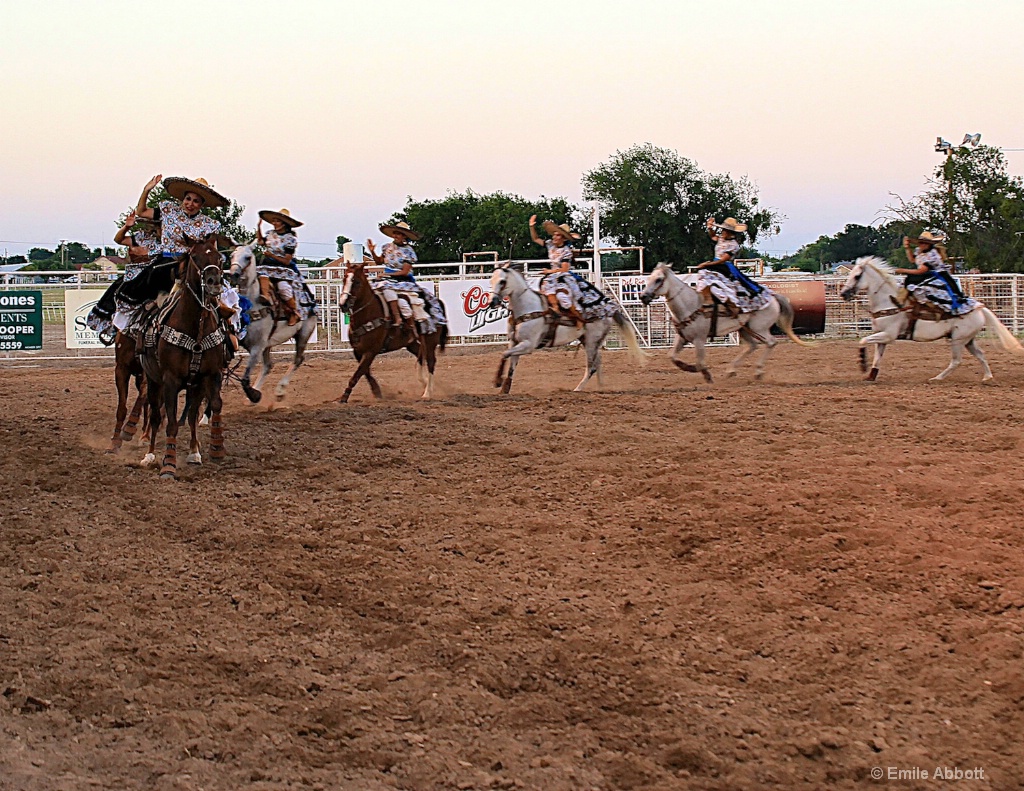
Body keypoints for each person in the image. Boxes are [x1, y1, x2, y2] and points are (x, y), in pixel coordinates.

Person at [116, 174, 227, 307]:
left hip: (194, 265)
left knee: (222, 296)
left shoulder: (209, 224)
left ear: (202, 204)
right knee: (137, 287)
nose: (190, 204)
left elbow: (211, 250)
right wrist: (147, 190)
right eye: (188, 199)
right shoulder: (169, 210)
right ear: (183, 198)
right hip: (166, 262)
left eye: (196, 201)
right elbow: (142, 212)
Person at [365, 221, 445, 333]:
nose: (395, 236)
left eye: (399, 233)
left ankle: (397, 318)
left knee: (387, 290)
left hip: (402, 281)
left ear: (404, 236)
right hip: (387, 279)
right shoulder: (387, 247)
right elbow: (379, 262)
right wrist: (372, 251)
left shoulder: (409, 251)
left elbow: (405, 272)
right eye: (395, 233)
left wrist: (387, 274)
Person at [895, 231, 976, 333]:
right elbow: (912, 260)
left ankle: (934, 309)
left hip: (936, 275)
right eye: (920, 243)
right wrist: (907, 248)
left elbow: (921, 270)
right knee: (910, 281)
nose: (921, 245)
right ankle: (906, 303)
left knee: (918, 284)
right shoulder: (920, 252)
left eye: (923, 243)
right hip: (927, 275)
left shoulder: (932, 255)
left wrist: (902, 270)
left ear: (929, 244)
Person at [694, 217, 770, 317]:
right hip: (716, 264)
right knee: (704, 276)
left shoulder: (734, 245)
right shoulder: (722, 238)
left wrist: (706, 264)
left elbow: (723, 260)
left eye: (724, 230)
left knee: (707, 275)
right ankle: (709, 298)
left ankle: (729, 302)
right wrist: (710, 228)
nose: (722, 232)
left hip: (724, 266)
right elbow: (713, 237)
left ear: (729, 232)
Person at [255, 208, 310, 326]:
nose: (274, 223)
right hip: (266, 266)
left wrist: (272, 255)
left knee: (283, 288)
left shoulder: (290, 239)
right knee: (259, 278)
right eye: (273, 221)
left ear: (284, 223)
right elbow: (260, 242)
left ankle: (294, 311)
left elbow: (286, 260)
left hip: (283, 269)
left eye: (277, 221)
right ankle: (264, 297)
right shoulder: (270, 234)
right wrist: (258, 227)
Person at [529, 215, 585, 326]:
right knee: (536, 288)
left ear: (563, 238)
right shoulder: (550, 244)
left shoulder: (566, 251)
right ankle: (551, 310)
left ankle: (579, 318)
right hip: (551, 276)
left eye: (557, 235)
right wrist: (532, 226)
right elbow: (535, 239)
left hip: (563, 277)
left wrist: (549, 272)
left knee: (562, 298)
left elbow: (564, 269)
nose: (554, 237)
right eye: (554, 234)